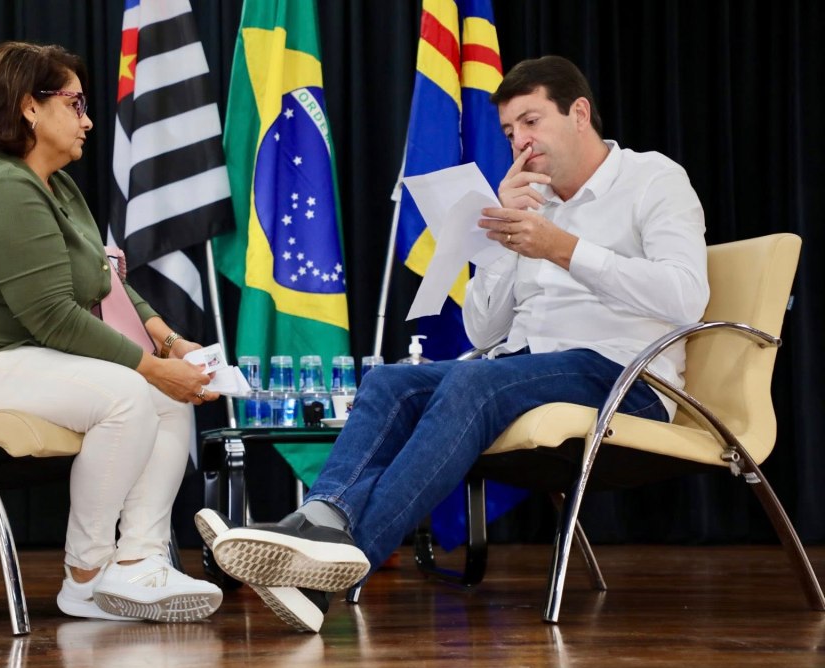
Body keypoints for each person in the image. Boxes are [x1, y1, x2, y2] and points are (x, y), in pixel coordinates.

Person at [197, 55, 709, 633]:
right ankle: (319, 521)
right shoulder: (535, 204)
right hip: (528, 369)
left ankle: (331, 563)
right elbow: (484, 332)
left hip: (626, 377)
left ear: (579, 113)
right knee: (387, 382)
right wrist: (501, 241)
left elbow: (687, 297)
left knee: (473, 381)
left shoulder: (652, 178)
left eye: (531, 121)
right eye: (509, 131)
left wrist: (563, 249)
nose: (520, 142)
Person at [0, 41, 223, 623]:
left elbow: (105, 284)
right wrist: (152, 368)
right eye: (75, 104)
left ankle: (138, 562)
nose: (88, 120)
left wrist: (170, 344)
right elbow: (51, 315)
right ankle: (87, 576)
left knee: (169, 398)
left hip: (5, 362)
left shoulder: (58, 187)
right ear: (29, 107)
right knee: (130, 393)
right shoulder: (3, 187)